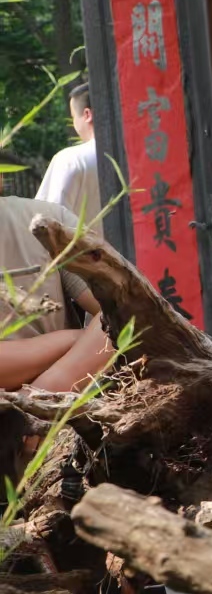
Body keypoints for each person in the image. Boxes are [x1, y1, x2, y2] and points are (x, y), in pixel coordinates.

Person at [0, 196, 112, 392]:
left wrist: (34, 397)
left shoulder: (49, 223)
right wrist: (78, 341)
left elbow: (128, 313)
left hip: (72, 400)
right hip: (72, 393)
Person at [36, 83, 100, 220]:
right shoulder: (137, 156)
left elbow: (49, 220)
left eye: (73, 117)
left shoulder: (70, 160)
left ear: (87, 115)